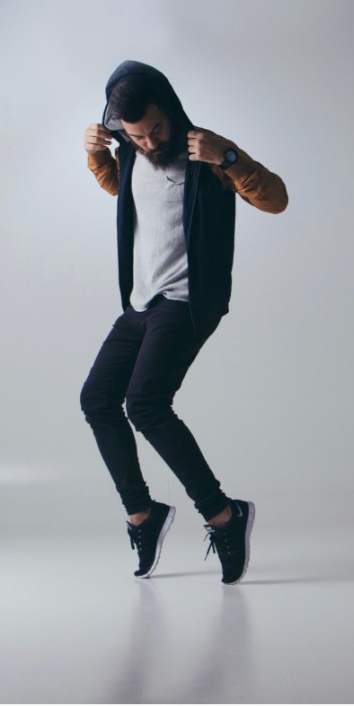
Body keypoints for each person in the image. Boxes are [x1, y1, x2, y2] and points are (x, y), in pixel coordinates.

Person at [80, 60, 288, 584]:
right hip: (142, 303)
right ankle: (143, 515)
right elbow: (122, 192)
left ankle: (224, 515)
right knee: (97, 400)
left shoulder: (207, 153)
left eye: (156, 130)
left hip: (189, 301)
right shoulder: (129, 152)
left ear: (170, 112)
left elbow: (276, 199)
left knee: (145, 404)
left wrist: (231, 157)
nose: (149, 142)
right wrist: (95, 154)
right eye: (135, 135)